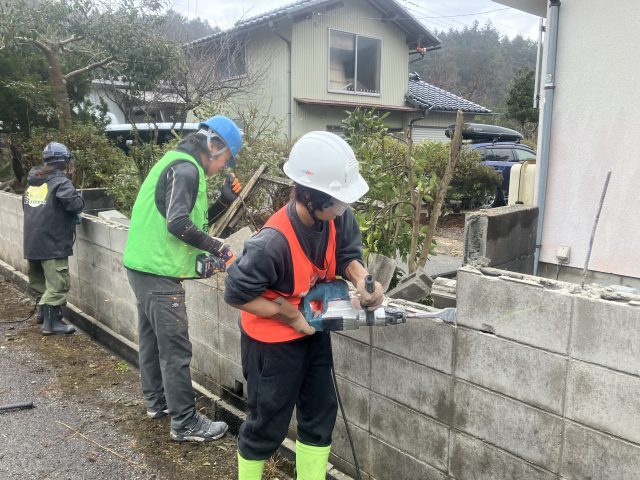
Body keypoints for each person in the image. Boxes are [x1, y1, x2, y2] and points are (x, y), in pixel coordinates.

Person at [224, 131, 384, 479]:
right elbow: (237, 293)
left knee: (319, 414)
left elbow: (347, 255)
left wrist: (362, 280)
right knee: (267, 422)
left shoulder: (337, 216)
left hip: (313, 329)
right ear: (309, 196)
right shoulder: (272, 243)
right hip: (271, 343)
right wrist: (289, 314)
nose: (343, 207)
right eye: (337, 201)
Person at [123, 115, 243, 442]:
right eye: (226, 158)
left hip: (144, 266)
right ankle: (186, 423)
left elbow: (189, 222)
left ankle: (158, 402)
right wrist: (220, 248)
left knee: (153, 341)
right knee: (175, 349)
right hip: (159, 272)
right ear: (214, 146)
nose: (224, 165)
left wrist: (223, 202)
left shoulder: (176, 163)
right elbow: (177, 224)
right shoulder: (187, 169)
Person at [23, 142, 84, 335]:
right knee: (58, 284)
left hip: (32, 243)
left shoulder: (33, 181)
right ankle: (52, 324)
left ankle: (43, 315)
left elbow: (27, 207)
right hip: (53, 243)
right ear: (65, 161)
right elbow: (74, 205)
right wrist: (79, 198)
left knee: (40, 282)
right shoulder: (60, 182)